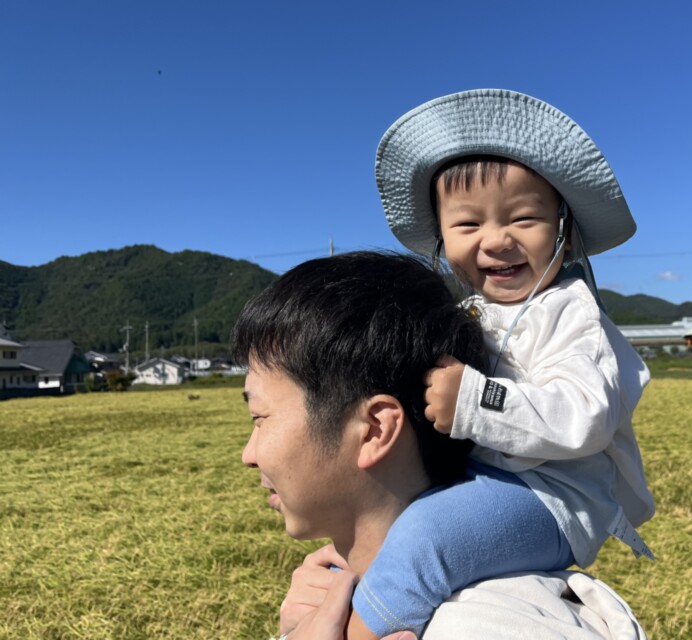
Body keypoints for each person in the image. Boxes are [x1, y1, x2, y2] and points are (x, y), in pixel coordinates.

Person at [346, 89, 655, 638]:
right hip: (487, 481)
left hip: (553, 497)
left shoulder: (569, 312)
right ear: (441, 237)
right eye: (468, 226)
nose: (497, 240)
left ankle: (360, 631)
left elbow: (585, 415)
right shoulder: (468, 313)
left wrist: (472, 399)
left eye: (525, 217)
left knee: (426, 537)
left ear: (564, 229)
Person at [234, 251, 646, 639]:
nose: (247, 456)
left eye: (260, 418)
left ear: (375, 429)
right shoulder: (318, 600)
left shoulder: (481, 627)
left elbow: (585, 413)